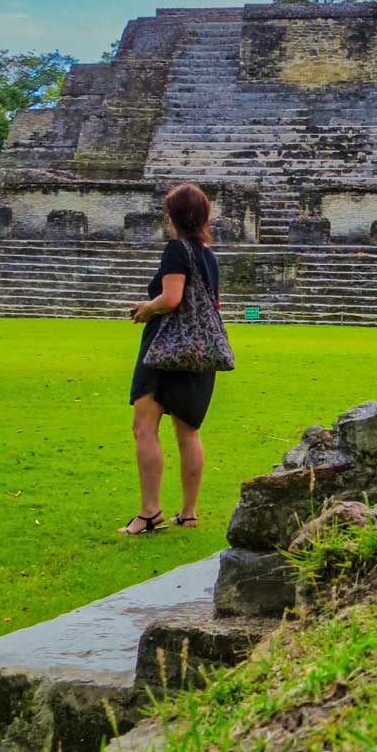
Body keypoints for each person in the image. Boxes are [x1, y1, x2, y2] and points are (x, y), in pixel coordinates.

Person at [119, 182, 220, 535]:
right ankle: (189, 513)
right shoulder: (208, 255)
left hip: (165, 349)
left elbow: (173, 298)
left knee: (144, 428)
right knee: (188, 432)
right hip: (200, 353)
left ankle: (150, 511)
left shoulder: (176, 250)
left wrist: (146, 308)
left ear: (171, 216)